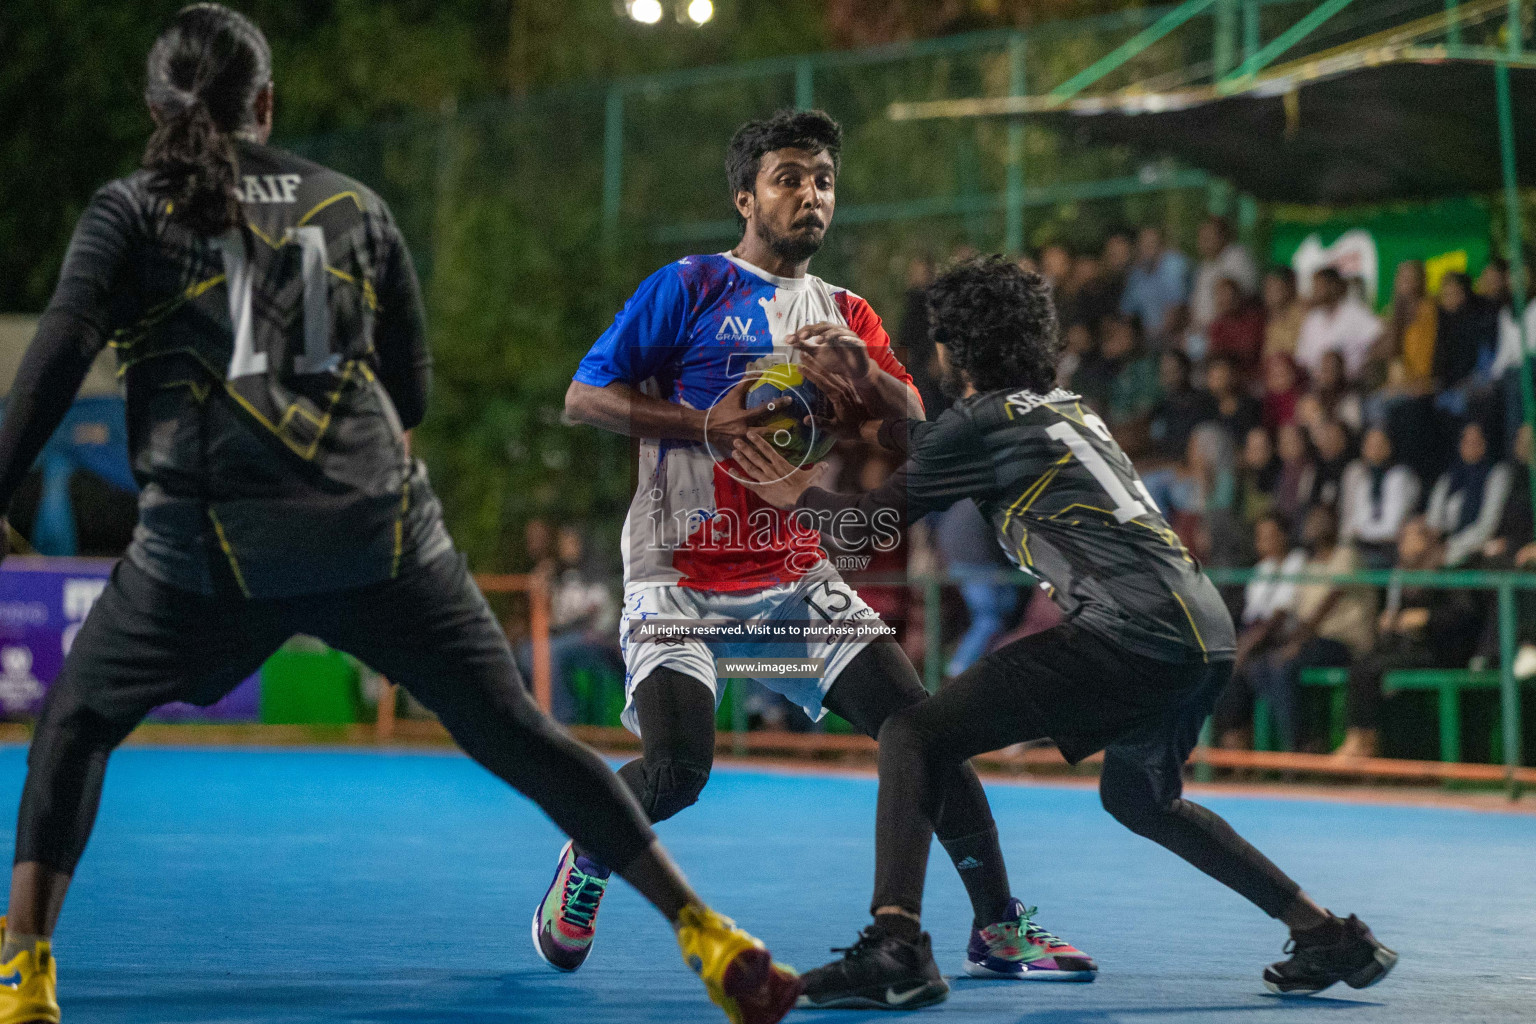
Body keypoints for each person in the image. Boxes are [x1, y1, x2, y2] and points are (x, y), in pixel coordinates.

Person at [0, 8, 798, 1024]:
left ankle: (25, 968)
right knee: (516, 730)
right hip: (375, 532)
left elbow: (51, 372)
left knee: (74, 722)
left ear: (155, 112)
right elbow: (409, 396)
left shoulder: (128, 211)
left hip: (212, 547)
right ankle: (704, 928)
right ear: (268, 104)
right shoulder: (354, 206)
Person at [729, 256, 1396, 1008]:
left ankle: (896, 946)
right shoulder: (1058, 407)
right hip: (1202, 631)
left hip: (1129, 634)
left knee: (914, 736)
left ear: (952, 352)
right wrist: (865, 403)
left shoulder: (978, 425)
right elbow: (934, 439)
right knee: (1142, 799)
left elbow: (857, 530)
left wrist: (782, 485)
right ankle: (1325, 934)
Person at [553, 110, 1092, 982]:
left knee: (924, 733)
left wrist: (866, 372)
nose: (812, 194)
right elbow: (585, 396)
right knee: (679, 771)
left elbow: (916, 426)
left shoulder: (845, 314)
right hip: (678, 575)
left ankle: (998, 926)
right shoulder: (688, 287)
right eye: (790, 177)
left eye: (825, 181)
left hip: (793, 578)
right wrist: (704, 428)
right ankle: (590, 852)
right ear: (745, 196)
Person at [1337, 518, 1482, 758]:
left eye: (1413, 536)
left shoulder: (1447, 571)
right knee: (1362, 663)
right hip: (1408, 648)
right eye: (1403, 538)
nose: (1406, 543)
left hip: (1440, 651)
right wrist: (1390, 620)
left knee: (1371, 668)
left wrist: (1426, 618)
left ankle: (1364, 744)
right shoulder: (1401, 577)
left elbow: (1465, 614)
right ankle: (1359, 739)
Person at [1244, 505, 1376, 752]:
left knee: (1285, 664)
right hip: (1315, 641)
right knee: (1259, 667)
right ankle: (1304, 740)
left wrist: (1297, 641)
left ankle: (1299, 747)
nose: (1314, 526)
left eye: (1321, 520)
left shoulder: (1346, 555)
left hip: (1344, 642)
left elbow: (1328, 602)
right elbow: (1299, 614)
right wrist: (1291, 640)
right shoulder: (1310, 565)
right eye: (1311, 520)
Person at [1214, 513, 1306, 749]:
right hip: (1255, 636)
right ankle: (1230, 746)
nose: (1263, 541)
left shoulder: (1297, 562)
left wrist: (1245, 646)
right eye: (1260, 536)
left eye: (1269, 535)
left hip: (1280, 637)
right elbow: (1251, 615)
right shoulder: (1261, 569)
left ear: (1284, 536)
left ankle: (1292, 747)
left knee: (1255, 667)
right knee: (1218, 668)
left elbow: (1279, 615)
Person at [1425, 421, 1513, 567]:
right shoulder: (1449, 478)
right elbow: (1433, 520)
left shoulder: (1498, 473)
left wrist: (1451, 546)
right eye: (1466, 441)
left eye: (1477, 441)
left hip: (1476, 546)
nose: (1471, 446)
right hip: (1443, 545)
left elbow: (1487, 525)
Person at [1340, 427, 1420, 570]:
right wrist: (1361, 532)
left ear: (1389, 447)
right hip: (1365, 547)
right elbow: (1357, 522)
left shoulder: (1400, 476)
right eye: (1370, 445)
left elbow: (1392, 528)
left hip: (1391, 549)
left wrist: (1363, 532)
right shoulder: (1365, 479)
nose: (1374, 450)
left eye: (1379, 444)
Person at [1295, 267, 1383, 381]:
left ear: (1333, 286)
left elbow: (1380, 336)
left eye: (1319, 286)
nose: (1314, 291)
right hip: (1316, 385)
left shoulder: (1354, 312)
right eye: (1314, 286)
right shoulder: (1312, 319)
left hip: (1350, 383)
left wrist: (1365, 364)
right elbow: (1302, 359)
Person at [1120, 225, 1190, 345]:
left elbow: (1175, 312)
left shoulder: (1173, 266)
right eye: (1144, 246)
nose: (1148, 250)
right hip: (1148, 339)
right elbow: (1126, 314)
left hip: (1177, 335)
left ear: (1161, 247)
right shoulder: (1136, 275)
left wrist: (1153, 334)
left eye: (1152, 245)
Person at [1190, 216, 1258, 336]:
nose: (1202, 242)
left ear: (1222, 237)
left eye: (1208, 237)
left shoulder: (1238, 257)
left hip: (1230, 332)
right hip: (1202, 331)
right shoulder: (1204, 266)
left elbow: (1236, 300)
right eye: (1201, 237)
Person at [1205, 276, 1266, 376]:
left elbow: (1250, 350)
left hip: (1254, 375)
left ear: (1238, 296)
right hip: (1227, 376)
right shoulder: (1216, 326)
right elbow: (1216, 356)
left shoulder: (1254, 319)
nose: (1226, 300)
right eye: (1221, 296)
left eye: (1229, 295)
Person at [1261, 266, 1304, 360]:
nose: (1268, 293)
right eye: (1267, 287)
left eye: (1274, 286)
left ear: (1289, 286)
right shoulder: (1271, 322)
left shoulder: (1304, 313)